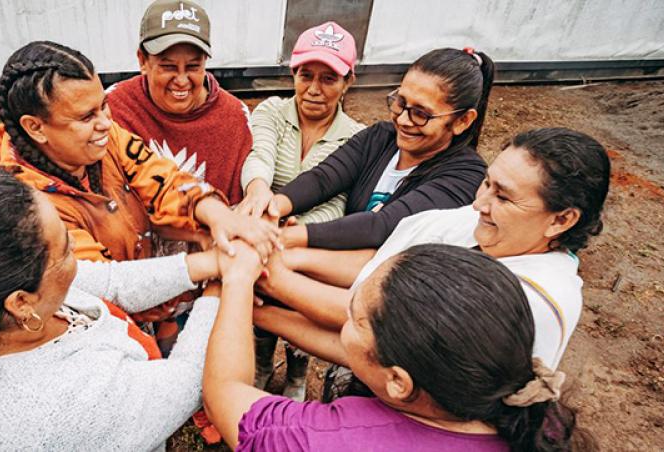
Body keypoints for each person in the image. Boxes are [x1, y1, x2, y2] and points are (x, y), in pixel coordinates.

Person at [0, 174, 256, 451]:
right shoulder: (66, 409)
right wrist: (225, 284)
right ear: (20, 303)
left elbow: (108, 282)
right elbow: (191, 378)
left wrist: (206, 264)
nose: (77, 252)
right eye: (65, 248)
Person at [260, 128, 612, 374]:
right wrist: (288, 257)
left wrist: (265, 278)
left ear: (561, 219)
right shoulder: (480, 223)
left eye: (503, 197)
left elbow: (370, 326)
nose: (479, 203)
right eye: (486, 183)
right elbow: (381, 265)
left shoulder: (530, 301)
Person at [0, 41, 279, 327]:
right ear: (35, 127)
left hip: (150, 310)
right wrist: (215, 264)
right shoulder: (26, 210)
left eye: (104, 105)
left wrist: (218, 215)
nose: (105, 123)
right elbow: (109, 285)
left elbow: (161, 178)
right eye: (86, 116)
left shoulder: (104, 138)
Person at [204, 243, 594, 451]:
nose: (346, 317)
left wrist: (237, 280)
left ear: (399, 382)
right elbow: (360, 354)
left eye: (354, 317)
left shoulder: (323, 440)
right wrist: (260, 313)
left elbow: (225, 391)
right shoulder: (531, 417)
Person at [234, 21, 366, 401]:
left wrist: (296, 230)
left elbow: (337, 201)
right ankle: (262, 365)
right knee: (262, 299)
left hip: (311, 243)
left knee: (302, 308)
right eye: (306, 75)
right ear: (293, 73)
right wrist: (258, 190)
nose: (314, 89)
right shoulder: (272, 112)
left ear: (348, 81)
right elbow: (260, 155)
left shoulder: (356, 136)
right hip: (264, 230)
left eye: (329, 78)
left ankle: (296, 373)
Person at [256, 48, 495, 250]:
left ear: (462, 121)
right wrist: (272, 208)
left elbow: (382, 226)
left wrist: (285, 237)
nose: (403, 120)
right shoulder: (381, 137)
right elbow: (323, 179)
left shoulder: (466, 176)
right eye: (400, 103)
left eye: (421, 114)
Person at [106, 0, 252, 204]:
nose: (182, 81)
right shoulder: (113, 107)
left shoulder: (236, 117)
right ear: (142, 61)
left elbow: (242, 204)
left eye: (193, 67)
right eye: (168, 67)